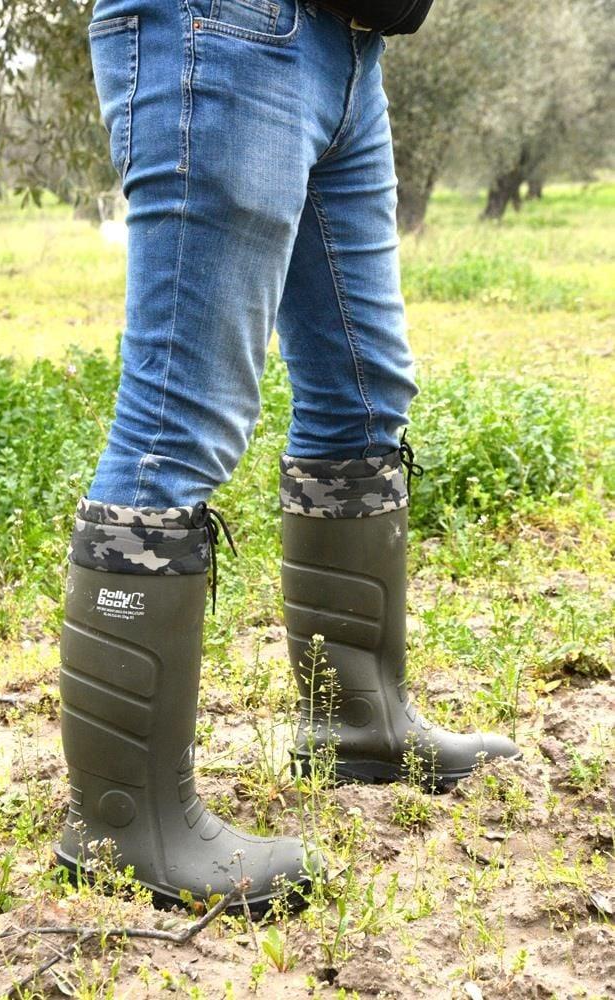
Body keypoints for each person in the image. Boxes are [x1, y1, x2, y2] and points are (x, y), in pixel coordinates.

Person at [55, 0, 519, 913]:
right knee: (176, 422)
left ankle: (355, 722)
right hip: (223, 28)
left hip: (351, 48)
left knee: (364, 392)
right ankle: (124, 822)